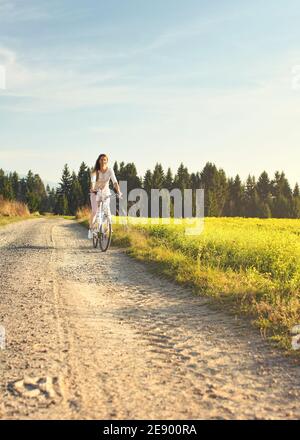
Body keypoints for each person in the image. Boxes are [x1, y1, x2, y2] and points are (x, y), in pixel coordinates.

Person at [88, 153, 121, 239]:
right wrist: (92, 188)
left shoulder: (110, 170)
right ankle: (91, 229)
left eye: (104, 160)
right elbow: (93, 181)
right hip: (95, 193)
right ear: (99, 161)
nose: (103, 161)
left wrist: (119, 192)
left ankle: (108, 228)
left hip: (105, 193)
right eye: (101, 159)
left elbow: (115, 182)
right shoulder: (95, 171)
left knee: (107, 210)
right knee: (95, 211)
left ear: (107, 161)